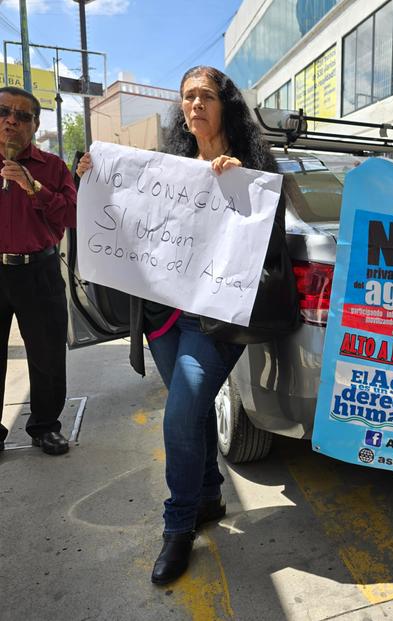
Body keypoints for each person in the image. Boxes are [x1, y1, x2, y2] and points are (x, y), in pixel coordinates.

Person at [77, 66, 277, 585]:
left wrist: (240, 187)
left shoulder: (253, 164)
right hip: (164, 316)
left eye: (205, 96)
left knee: (179, 411)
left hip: (216, 321)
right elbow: (130, 222)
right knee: (192, 415)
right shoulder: (166, 166)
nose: (195, 105)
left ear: (224, 103)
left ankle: (178, 526)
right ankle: (209, 496)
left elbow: (268, 238)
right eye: (187, 97)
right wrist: (93, 181)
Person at [0, 86, 76, 456]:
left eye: (22, 114)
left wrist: (33, 187)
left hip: (39, 270)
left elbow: (72, 214)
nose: (11, 120)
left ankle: (45, 426)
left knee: (47, 354)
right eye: (3, 111)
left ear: (35, 124)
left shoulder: (53, 167)